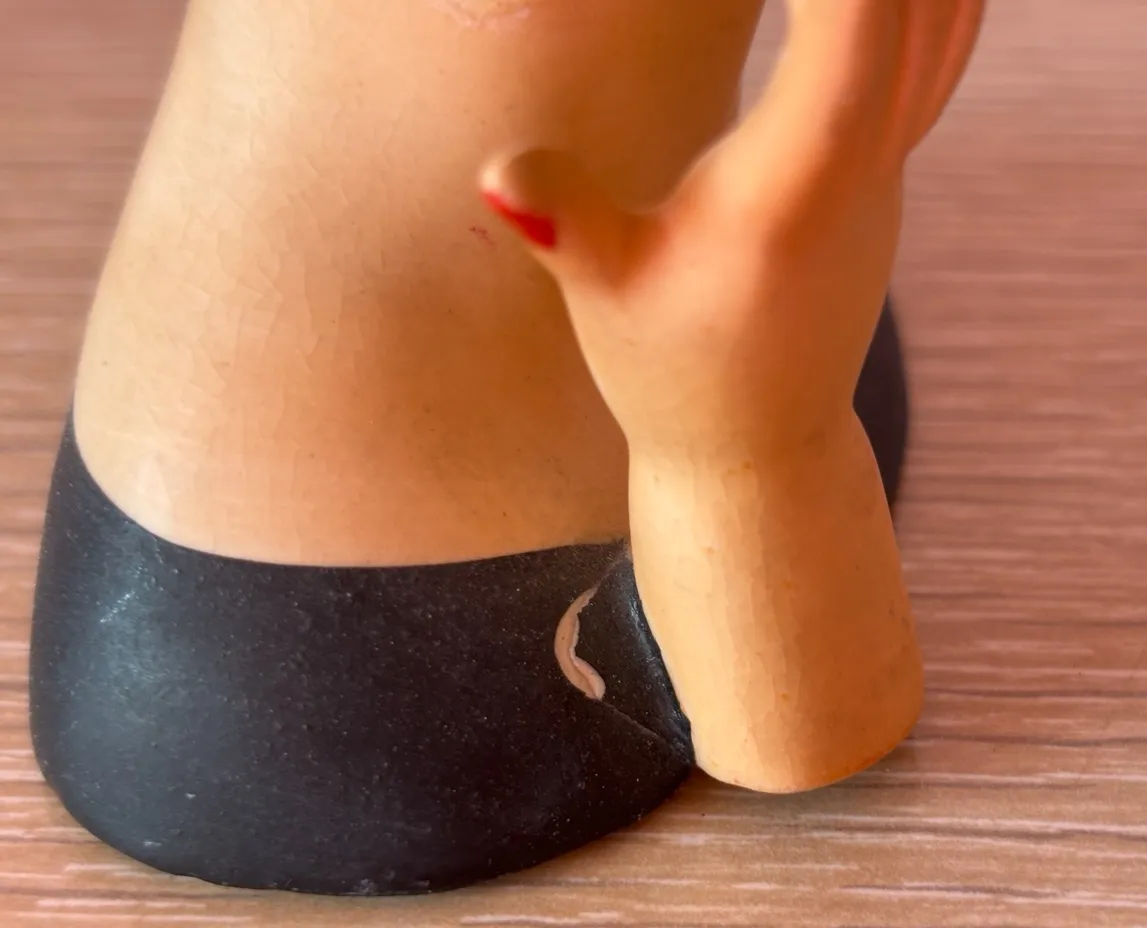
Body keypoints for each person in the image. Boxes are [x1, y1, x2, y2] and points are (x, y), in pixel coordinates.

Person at [29, 0, 981, 896]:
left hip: (723, 279)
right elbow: (787, 736)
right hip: (325, 585)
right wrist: (751, 453)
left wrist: (763, 433)